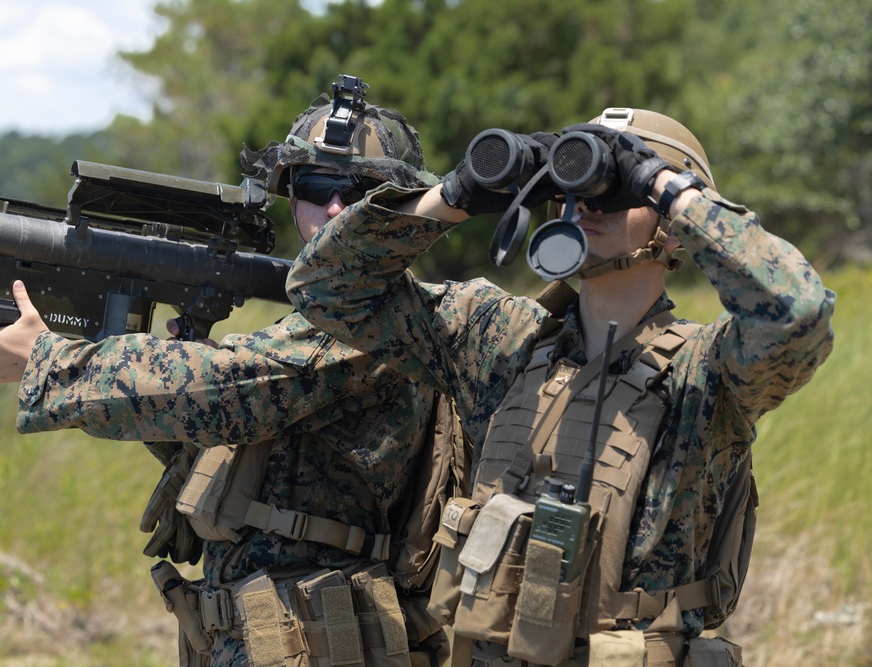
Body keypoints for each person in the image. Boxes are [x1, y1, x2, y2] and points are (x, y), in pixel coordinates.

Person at [287, 107, 836, 667]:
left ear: (671, 227)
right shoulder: (498, 337)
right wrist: (459, 194)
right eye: (577, 183)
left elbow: (798, 312)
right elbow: (323, 286)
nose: (589, 203)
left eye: (615, 189)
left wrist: (664, 186)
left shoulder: (706, 373)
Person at [0, 76, 468, 667]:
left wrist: (49, 360)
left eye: (361, 191)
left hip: (332, 640)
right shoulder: (315, 323)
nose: (334, 206)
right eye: (317, 184)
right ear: (292, 195)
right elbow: (231, 452)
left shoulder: (377, 322)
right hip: (269, 637)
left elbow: (225, 391)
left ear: (401, 207)